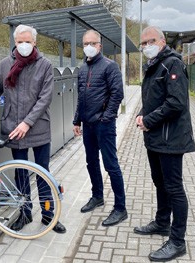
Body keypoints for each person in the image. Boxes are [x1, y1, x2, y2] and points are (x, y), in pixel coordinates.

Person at [0, 24, 66, 234]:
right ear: (14, 42)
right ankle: (25, 213)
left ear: (35, 42)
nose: (23, 45)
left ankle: (49, 215)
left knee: (43, 172)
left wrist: (27, 122)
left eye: (27, 41)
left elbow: (45, 98)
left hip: (38, 128)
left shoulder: (44, 65)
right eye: (19, 41)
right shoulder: (5, 64)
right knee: (21, 173)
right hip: (13, 129)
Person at [134, 25, 195, 261]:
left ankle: (178, 241)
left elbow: (176, 102)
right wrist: (142, 114)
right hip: (155, 137)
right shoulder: (153, 66)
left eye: (150, 41)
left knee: (174, 188)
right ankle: (162, 223)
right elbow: (152, 98)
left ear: (161, 41)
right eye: (143, 43)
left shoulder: (173, 64)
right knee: (159, 182)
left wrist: (148, 120)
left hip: (171, 138)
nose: (146, 47)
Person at [72, 29, 127, 227]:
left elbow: (117, 94)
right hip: (88, 125)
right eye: (85, 43)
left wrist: (106, 118)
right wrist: (76, 120)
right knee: (91, 162)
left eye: (92, 43)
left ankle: (120, 208)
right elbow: (81, 97)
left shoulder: (110, 66)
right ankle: (97, 196)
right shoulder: (83, 68)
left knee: (111, 165)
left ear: (99, 46)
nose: (89, 47)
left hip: (104, 125)